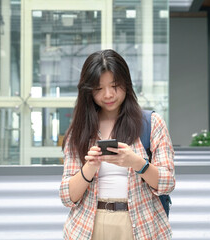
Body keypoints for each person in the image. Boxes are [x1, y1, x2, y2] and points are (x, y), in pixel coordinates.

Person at [59, 49, 175, 240]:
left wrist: (137, 163)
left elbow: (168, 183)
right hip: (89, 224)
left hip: (140, 223)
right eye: (98, 89)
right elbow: (67, 197)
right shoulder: (78, 131)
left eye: (115, 85)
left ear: (126, 84)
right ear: (88, 91)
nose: (108, 94)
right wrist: (90, 167)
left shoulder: (152, 123)